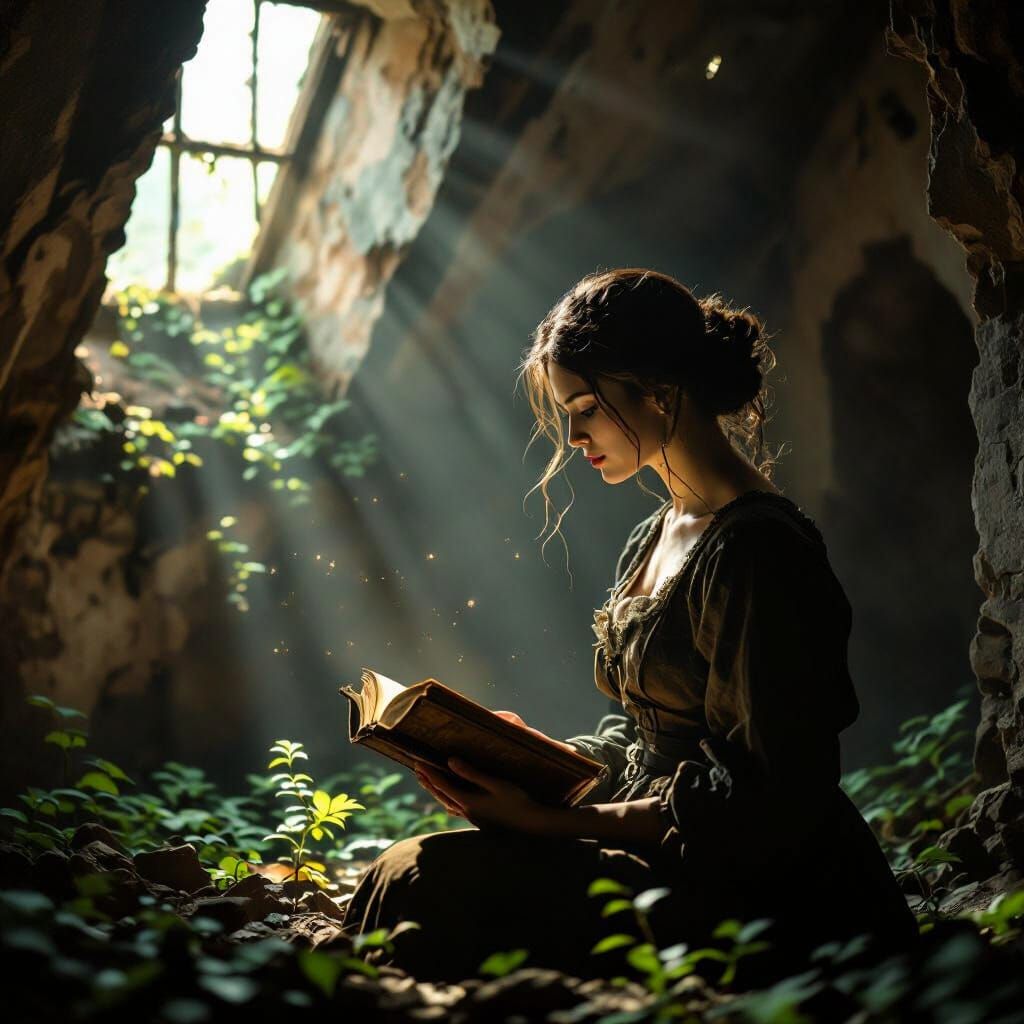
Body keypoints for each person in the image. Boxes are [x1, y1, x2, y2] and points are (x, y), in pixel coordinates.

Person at [340, 267, 918, 982]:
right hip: (658, 835)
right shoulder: (655, 534)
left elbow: (769, 804)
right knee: (406, 872)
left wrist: (555, 823)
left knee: (422, 884)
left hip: (758, 888)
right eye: (566, 408)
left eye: (585, 404)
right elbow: (650, 735)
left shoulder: (759, 553)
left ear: (661, 394)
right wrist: (542, 762)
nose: (573, 431)